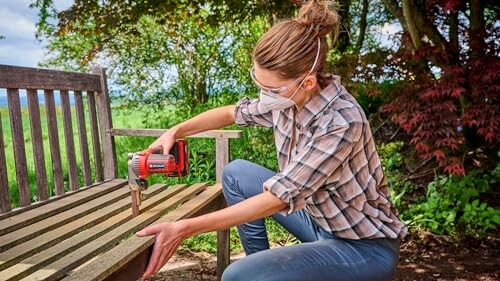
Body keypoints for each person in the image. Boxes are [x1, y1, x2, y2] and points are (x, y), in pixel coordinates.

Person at [137, 1, 407, 280]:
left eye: (272, 89)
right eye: (260, 84)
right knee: (236, 173)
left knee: (236, 276)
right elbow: (231, 112)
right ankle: (263, 267)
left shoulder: (340, 122)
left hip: (362, 247)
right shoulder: (287, 99)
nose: (265, 96)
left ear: (308, 82)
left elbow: (278, 198)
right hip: (319, 221)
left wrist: (183, 228)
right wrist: (175, 131)